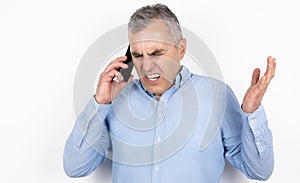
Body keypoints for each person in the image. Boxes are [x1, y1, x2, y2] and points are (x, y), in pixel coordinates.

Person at [63, 4, 276, 183]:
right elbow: (75, 167)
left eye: (157, 53)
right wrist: (100, 102)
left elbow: (258, 171)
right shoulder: (115, 101)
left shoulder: (217, 95)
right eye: (138, 55)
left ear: (181, 49)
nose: (146, 66)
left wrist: (252, 112)